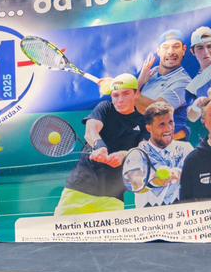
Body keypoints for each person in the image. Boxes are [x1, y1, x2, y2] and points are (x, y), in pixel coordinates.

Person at [54, 74, 146, 215]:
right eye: (115, 95)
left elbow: (143, 150)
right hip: (78, 189)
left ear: (136, 94)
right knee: (60, 229)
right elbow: (91, 130)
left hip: (113, 197)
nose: (120, 99)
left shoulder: (144, 121)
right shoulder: (105, 107)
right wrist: (99, 146)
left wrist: (125, 155)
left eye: (126, 94)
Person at [122, 102, 192, 208]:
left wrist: (182, 174)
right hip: (150, 216)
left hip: (182, 214)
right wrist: (154, 182)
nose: (168, 128)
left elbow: (198, 178)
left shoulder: (187, 148)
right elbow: (136, 184)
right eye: (162, 124)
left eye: (171, 122)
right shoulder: (137, 154)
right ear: (149, 128)